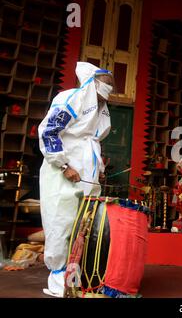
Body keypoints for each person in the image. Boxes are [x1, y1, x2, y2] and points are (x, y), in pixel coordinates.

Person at [38, 62, 113, 297]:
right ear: (94, 83)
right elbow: (49, 131)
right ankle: (58, 278)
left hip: (86, 175)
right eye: (108, 84)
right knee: (61, 221)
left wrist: (97, 167)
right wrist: (63, 165)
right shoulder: (70, 98)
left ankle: (76, 274)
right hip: (63, 172)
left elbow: (92, 141)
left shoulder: (101, 109)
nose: (111, 89)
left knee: (84, 225)